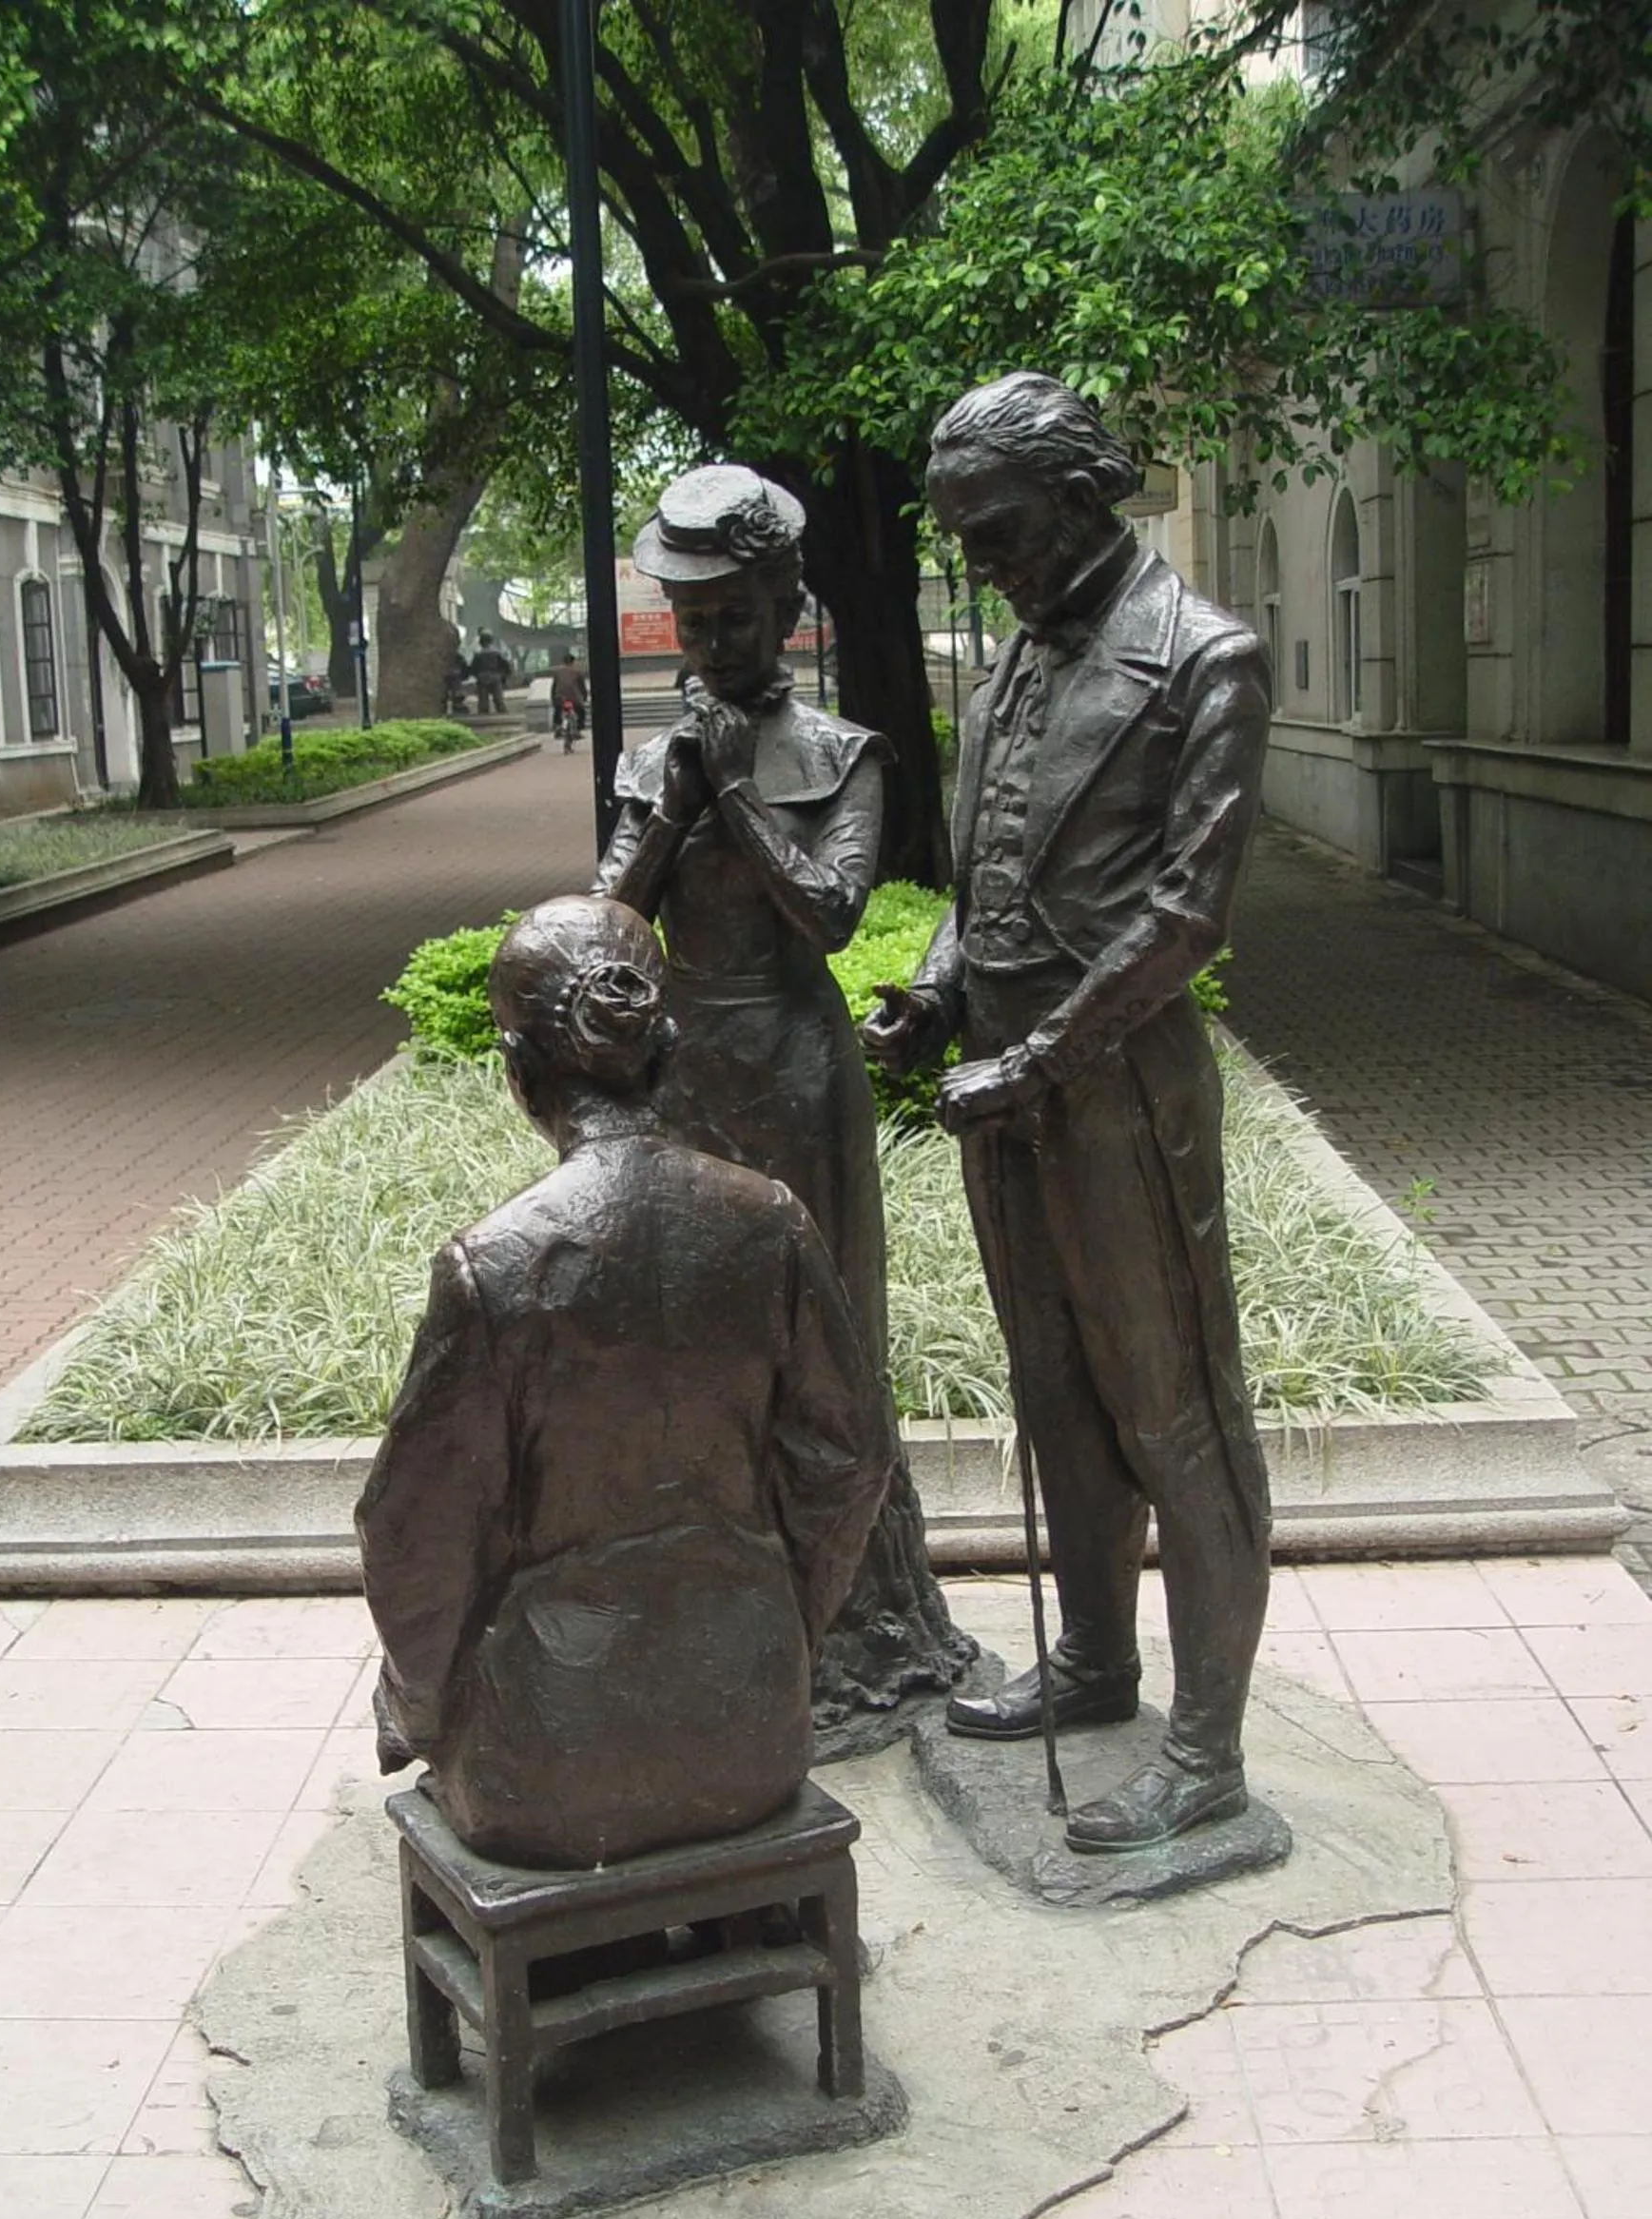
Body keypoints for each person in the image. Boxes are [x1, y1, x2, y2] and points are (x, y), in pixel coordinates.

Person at [863, 371, 1273, 1855]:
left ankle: (1209, 1749)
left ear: (1080, 496)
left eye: (997, 526)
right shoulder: (1006, 674)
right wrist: (929, 986)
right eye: (963, 535)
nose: (979, 559)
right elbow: (990, 885)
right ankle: (1097, 1664)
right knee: (1055, 1394)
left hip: (1116, 1094)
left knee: (1177, 1412)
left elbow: (1181, 920)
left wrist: (1034, 1061)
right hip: (1004, 1095)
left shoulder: (1204, 659)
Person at [357, 896, 891, 1869]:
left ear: (518, 1074)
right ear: (669, 1043)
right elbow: (849, 1463)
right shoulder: (770, 1222)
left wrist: (417, 1708)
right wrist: (776, 1629)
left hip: (551, 1759)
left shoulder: (493, 1266)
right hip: (753, 1722)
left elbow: (411, 1532)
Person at [595, 463, 974, 1738]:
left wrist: (743, 798)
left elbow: (830, 911)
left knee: (823, 1333)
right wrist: (673, 806)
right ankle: (708, 1608)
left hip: (802, 1077)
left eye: (734, 622)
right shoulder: (657, 757)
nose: (709, 647)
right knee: (696, 1336)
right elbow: (610, 926)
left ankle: (856, 1620)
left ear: (788, 607)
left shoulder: (847, 754)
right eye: (690, 625)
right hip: (687, 1074)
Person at [549, 652, 589, 741]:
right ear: (573, 662)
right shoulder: (577, 672)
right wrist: (584, 697)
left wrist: (553, 699)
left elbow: (554, 687)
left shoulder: (557, 672)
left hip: (560, 698)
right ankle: (578, 730)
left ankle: (558, 727)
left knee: (557, 711)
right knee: (581, 712)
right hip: (574, 698)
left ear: (563, 662)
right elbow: (582, 687)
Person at [471, 631, 511, 715]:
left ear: (481, 642)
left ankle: (483, 718)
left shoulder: (478, 654)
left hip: (482, 679)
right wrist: (503, 676)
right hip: (495, 678)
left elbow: (473, 669)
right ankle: (503, 716)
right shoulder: (497, 653)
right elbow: (506, 666)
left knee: (483, 702)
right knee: (499, 700)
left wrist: (477, 676)